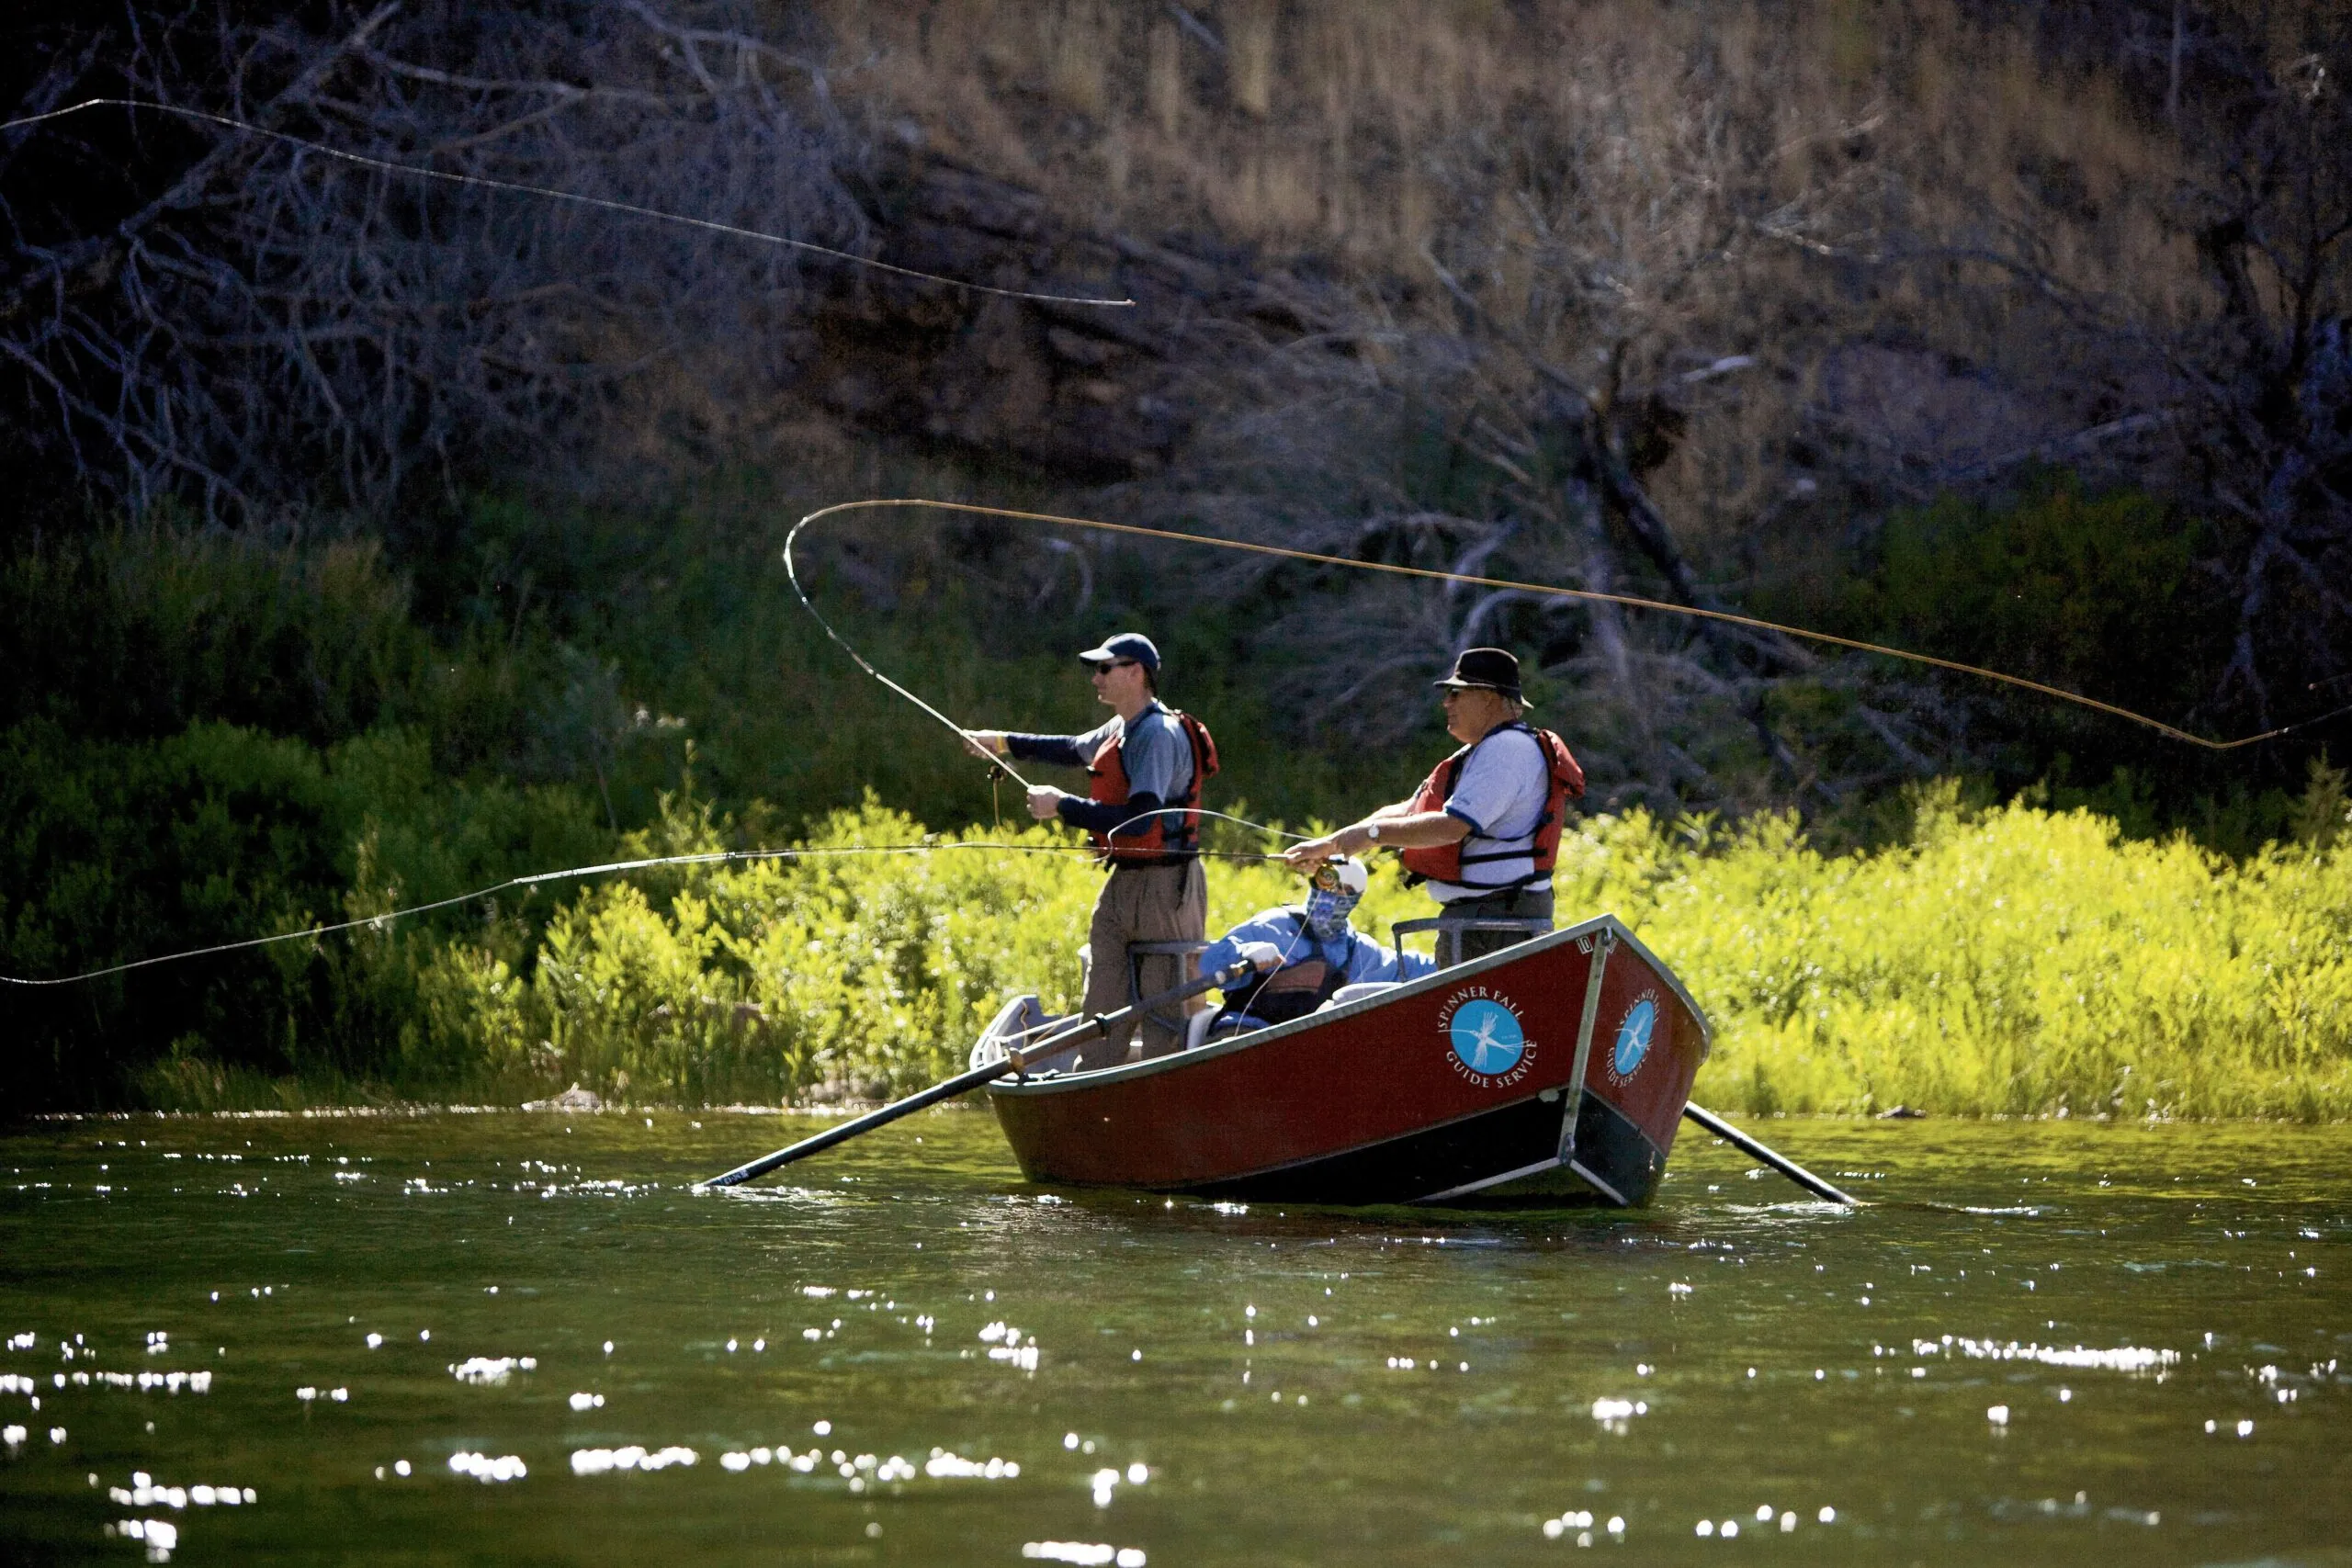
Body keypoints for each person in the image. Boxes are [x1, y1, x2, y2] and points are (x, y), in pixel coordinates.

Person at [966, 631, 1218, 1061]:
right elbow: (1070, 749)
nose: (1095, 678)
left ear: (1136, 673)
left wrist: (1062, 805)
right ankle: (1095, 1083)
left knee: (1163, 1007)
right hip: (1124, 884)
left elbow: (1139, 823)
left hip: (1166, 890)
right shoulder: (1121, 727)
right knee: (1102, 998)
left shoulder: (1156, 734)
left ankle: (1159, 1092)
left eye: (1104, 668)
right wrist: (1002, 742)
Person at [1283, 647, 1583, 967]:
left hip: (1497, 925)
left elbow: (1451, 827)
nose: (1446, 702)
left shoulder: (1508, 749)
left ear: (1487, 697)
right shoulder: (1480, 751)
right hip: (1479, 923)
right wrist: (1335, 844)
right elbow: (1409, 810)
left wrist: (1372, 835)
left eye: (1456, 693)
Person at [1194, 857, 1434, 1036]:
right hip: (1244, 1034)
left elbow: (1419, 969)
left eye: (1342, 890)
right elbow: (1208, 965)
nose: (1329, 895)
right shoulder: (1274, 924)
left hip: (1306, 1048)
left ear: (1354, 900)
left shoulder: (1359, 952)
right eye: (1325, 884)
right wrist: (1244, 953)